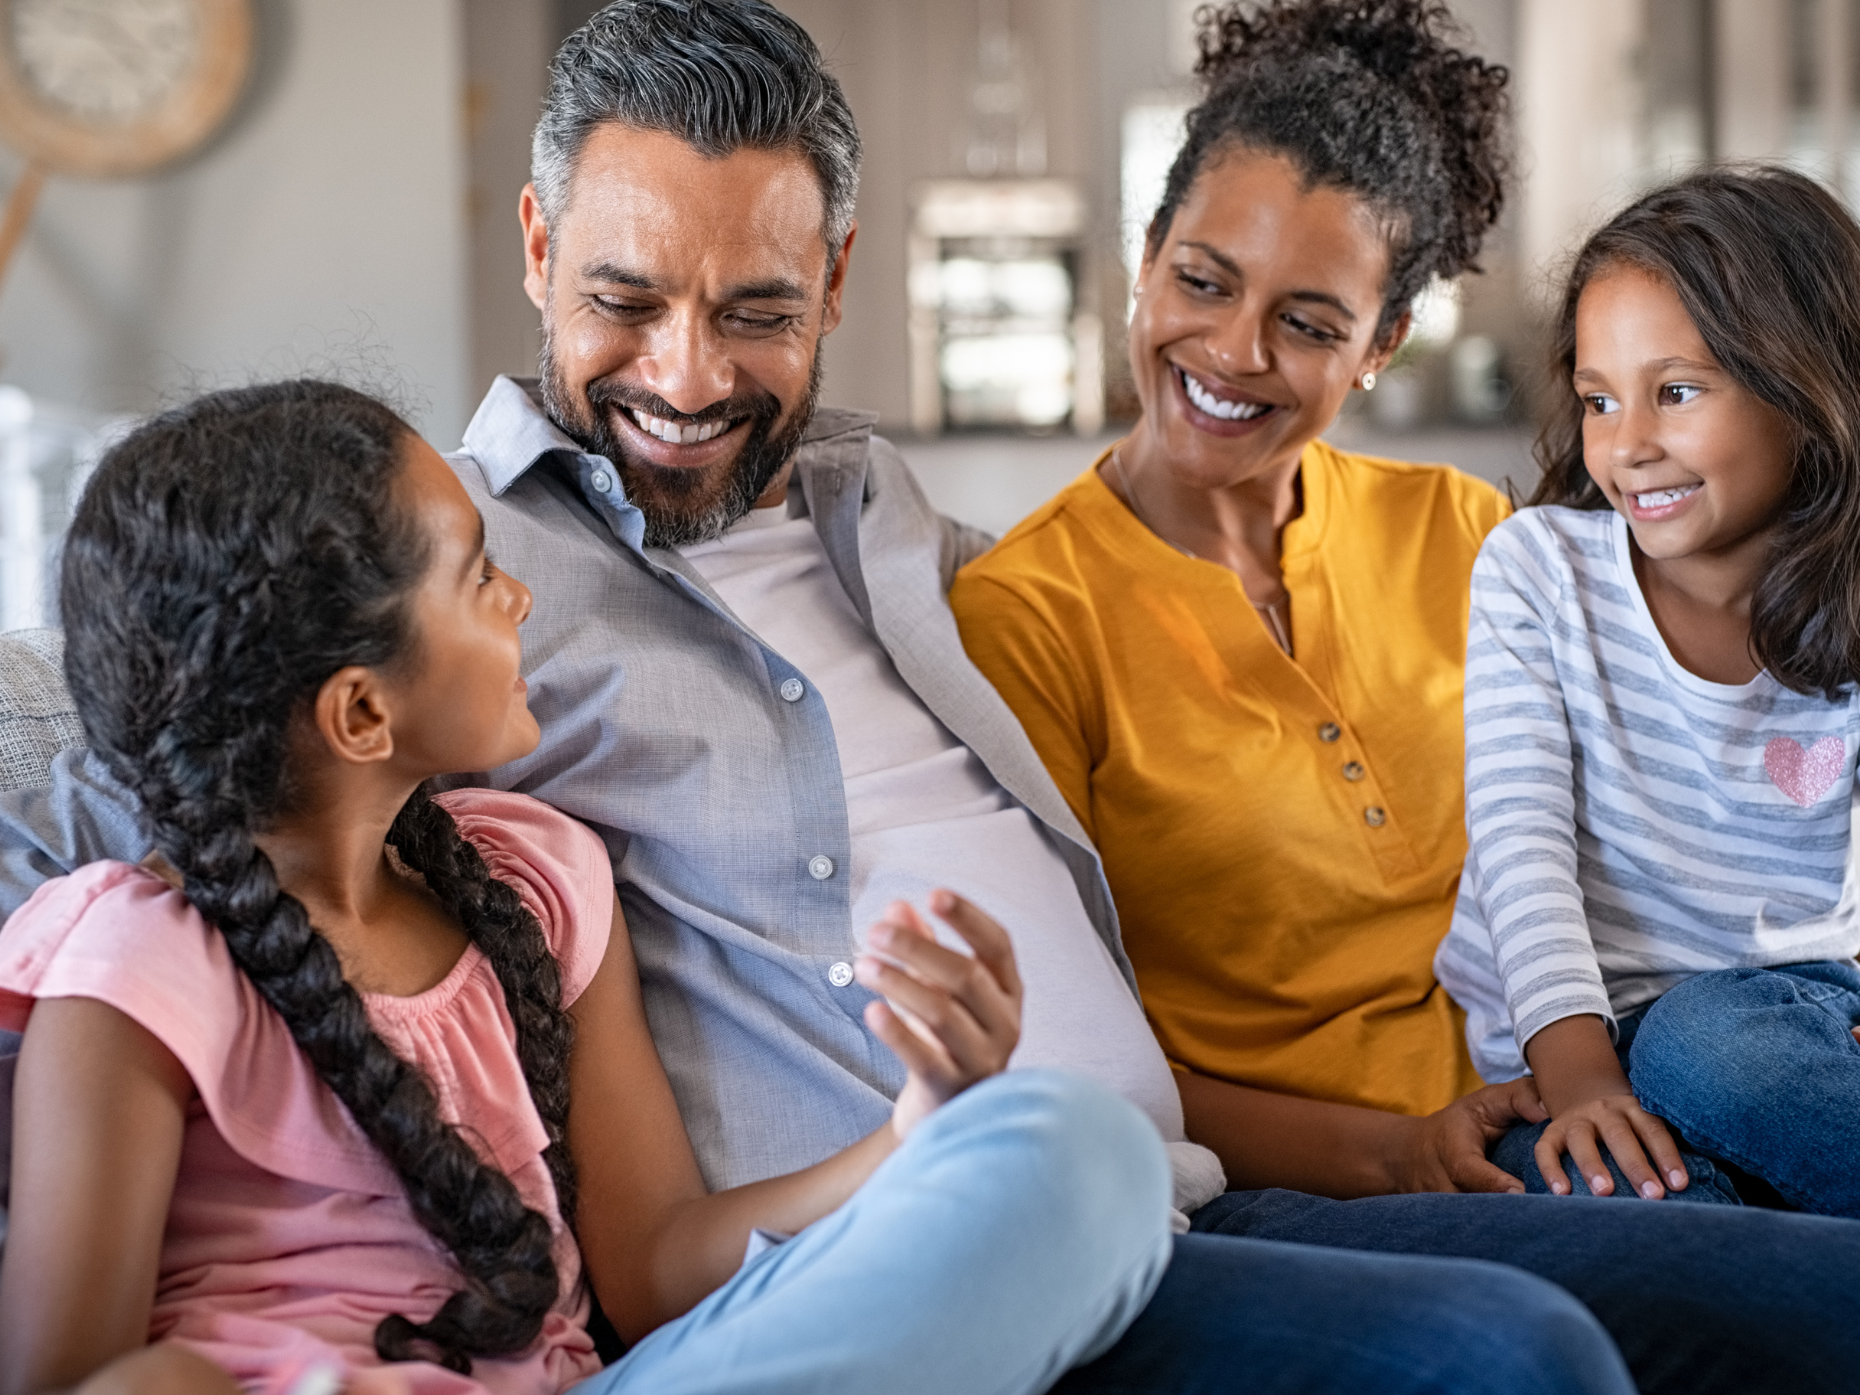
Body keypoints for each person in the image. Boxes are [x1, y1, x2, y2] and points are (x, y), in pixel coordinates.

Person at [0, 3, 1839, 1392]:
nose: (689, 377)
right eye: (629, 300)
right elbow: (148, 752)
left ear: (843, 284)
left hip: (1178, 1179)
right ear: (540, 249)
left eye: (759, 311)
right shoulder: (427, 582)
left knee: (1749, 1275)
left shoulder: (893, 520)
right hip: (907, 1234)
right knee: (1513, 1357)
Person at [951, 0, 1860, 1388]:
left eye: (1308, 319)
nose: (1234, 349)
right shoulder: (1027, 613)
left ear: (1382, 343)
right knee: (1800, 1289)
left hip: (1578, 1088)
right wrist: (1393, 1143)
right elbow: (1072, 1063)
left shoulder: (1463, 529)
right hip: (1320, 1178)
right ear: (1143, 267)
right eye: (1200, 280)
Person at [0, 379, 1178, 1395]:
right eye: (477, 579)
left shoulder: (536, 878)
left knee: (1076, 1154)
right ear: (362, 711)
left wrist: (918, 1130)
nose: (520, 599)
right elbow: (60, 1380)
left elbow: (660, 1269)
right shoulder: (135, 969)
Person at [1436, 166, 1860, 1218]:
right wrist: (1580, 1075)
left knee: (1703, 1042)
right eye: (1597, 399)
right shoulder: (1538, 573)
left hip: (1777, 1024)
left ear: (1807, 391)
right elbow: (1519, 847)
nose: (1627, 446)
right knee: (1598, 1195)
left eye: (1676, 390)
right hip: (1567, 1045)